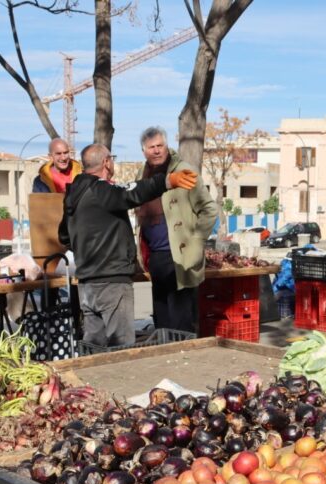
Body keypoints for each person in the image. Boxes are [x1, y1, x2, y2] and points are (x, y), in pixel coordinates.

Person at [59, 143, 198, 348]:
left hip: (87, 284)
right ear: (106, 162)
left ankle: (90, 380)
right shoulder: (101, 190)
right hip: (111, 281)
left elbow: (64, 236)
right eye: (112, 158)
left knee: (93, 345)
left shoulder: (74, 195)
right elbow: (133, 192)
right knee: (121, 348)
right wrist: (167, 180)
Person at [134, 127, 219, 333]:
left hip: (181, 256)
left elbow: (209, 209)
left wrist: (197, 241)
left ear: (167, 146)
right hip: (155, 257)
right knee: (161, 317)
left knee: (182, 320)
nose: (156, 151)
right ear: (144, 151)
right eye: (151, 147)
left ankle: (186, 360)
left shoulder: (184, 171)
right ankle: (166, 360)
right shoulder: (141, 174)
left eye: (160, 146)